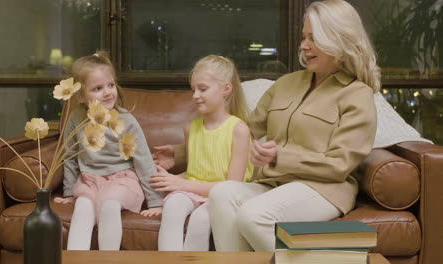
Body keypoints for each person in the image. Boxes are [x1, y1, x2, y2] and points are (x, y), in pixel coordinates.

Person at [153, 0, 380, 252]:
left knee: (253, 215)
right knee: (222, 194)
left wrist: (280, 156)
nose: (304, 46)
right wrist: (181, 153)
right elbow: (242, 130)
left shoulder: (357, 94)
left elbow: (339, 165)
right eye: (304, 37)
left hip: (323, 189)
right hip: (272, 185)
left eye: (314, 38)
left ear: (338, 39)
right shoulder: (287, 84)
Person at [53, 51, 163, 250]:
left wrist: (155, 201)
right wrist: (69, 192)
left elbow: (143, 159)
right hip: (89, 181)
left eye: (111, 85)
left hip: (122, 180)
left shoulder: (126, 120)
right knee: (82, 208)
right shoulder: (76, 120)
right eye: (97, 88)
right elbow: (69, 156)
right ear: (80, 95)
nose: (107, 92)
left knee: (108, 204)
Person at [150, 55, 253, 251]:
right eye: (193, 89)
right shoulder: (191, 128)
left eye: (202, 89)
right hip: (194, 190)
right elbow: (194, 171)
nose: (195, 95)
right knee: (172, 206)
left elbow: (232, 187)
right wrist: (165, 180)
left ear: (226, 89)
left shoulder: (239, 130)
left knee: (200, 219)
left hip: (223, 197)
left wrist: (181, 183)